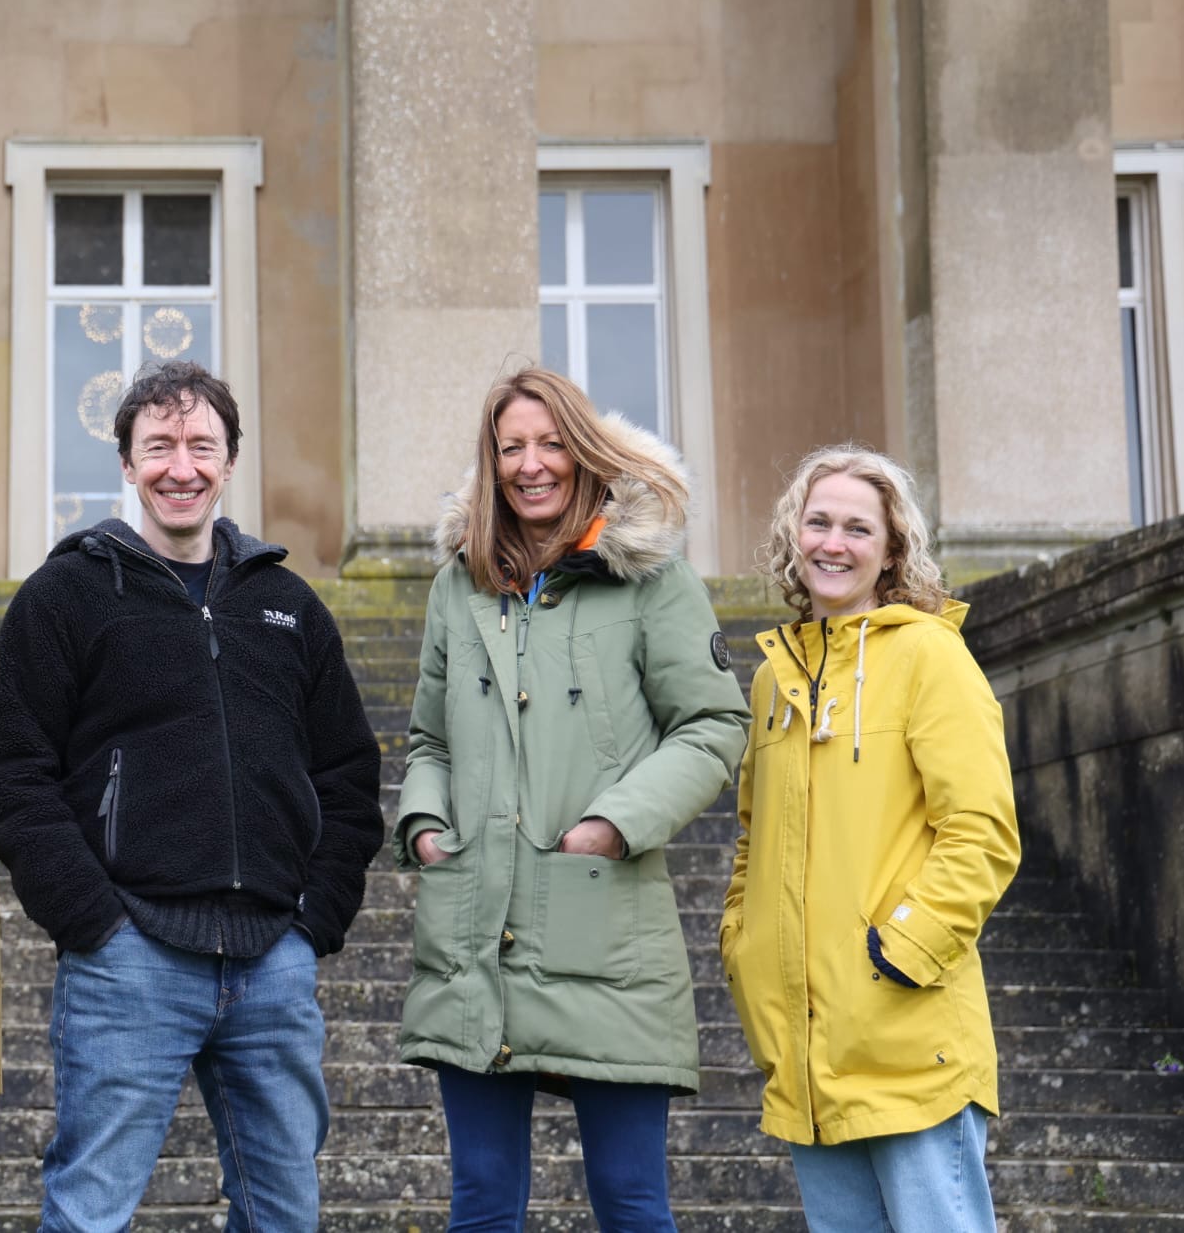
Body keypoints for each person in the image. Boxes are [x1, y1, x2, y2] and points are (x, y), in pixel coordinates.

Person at [0, 360, 383, 1232]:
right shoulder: (67, 595)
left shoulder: (289, 605)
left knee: (285, 1216)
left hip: (273, 962)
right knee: (89, 1215)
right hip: (131, 960)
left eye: (201, 444)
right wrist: (93, 919)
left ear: (231, 460)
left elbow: (348, 775)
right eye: (158, 445)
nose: (180, 466)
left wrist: (314, 923)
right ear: (126, 462)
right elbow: (6, 769)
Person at [394, 366, 748, 1232]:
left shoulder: (652, 576)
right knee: (479, 1202)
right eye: (512, 446)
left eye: (551, 442)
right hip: (473, 932)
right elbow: (430, 738)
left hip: (607, 936)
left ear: (584, 449)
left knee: (631, 1202)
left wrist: (612, 827)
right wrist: (426, 827)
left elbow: (712, 724)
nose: (531, 464)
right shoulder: (458, 583)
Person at [720, 445, 1020, 1233]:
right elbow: (752, 838)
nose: (833, 542)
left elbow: (982, 831)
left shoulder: (930, 655)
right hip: (810, 1060)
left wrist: (906, 950)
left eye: (858, 527)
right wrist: (743, 947)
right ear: (794, 536)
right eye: (818, 521)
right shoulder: (771, 679)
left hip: (911, 1043)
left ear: (890, 552)